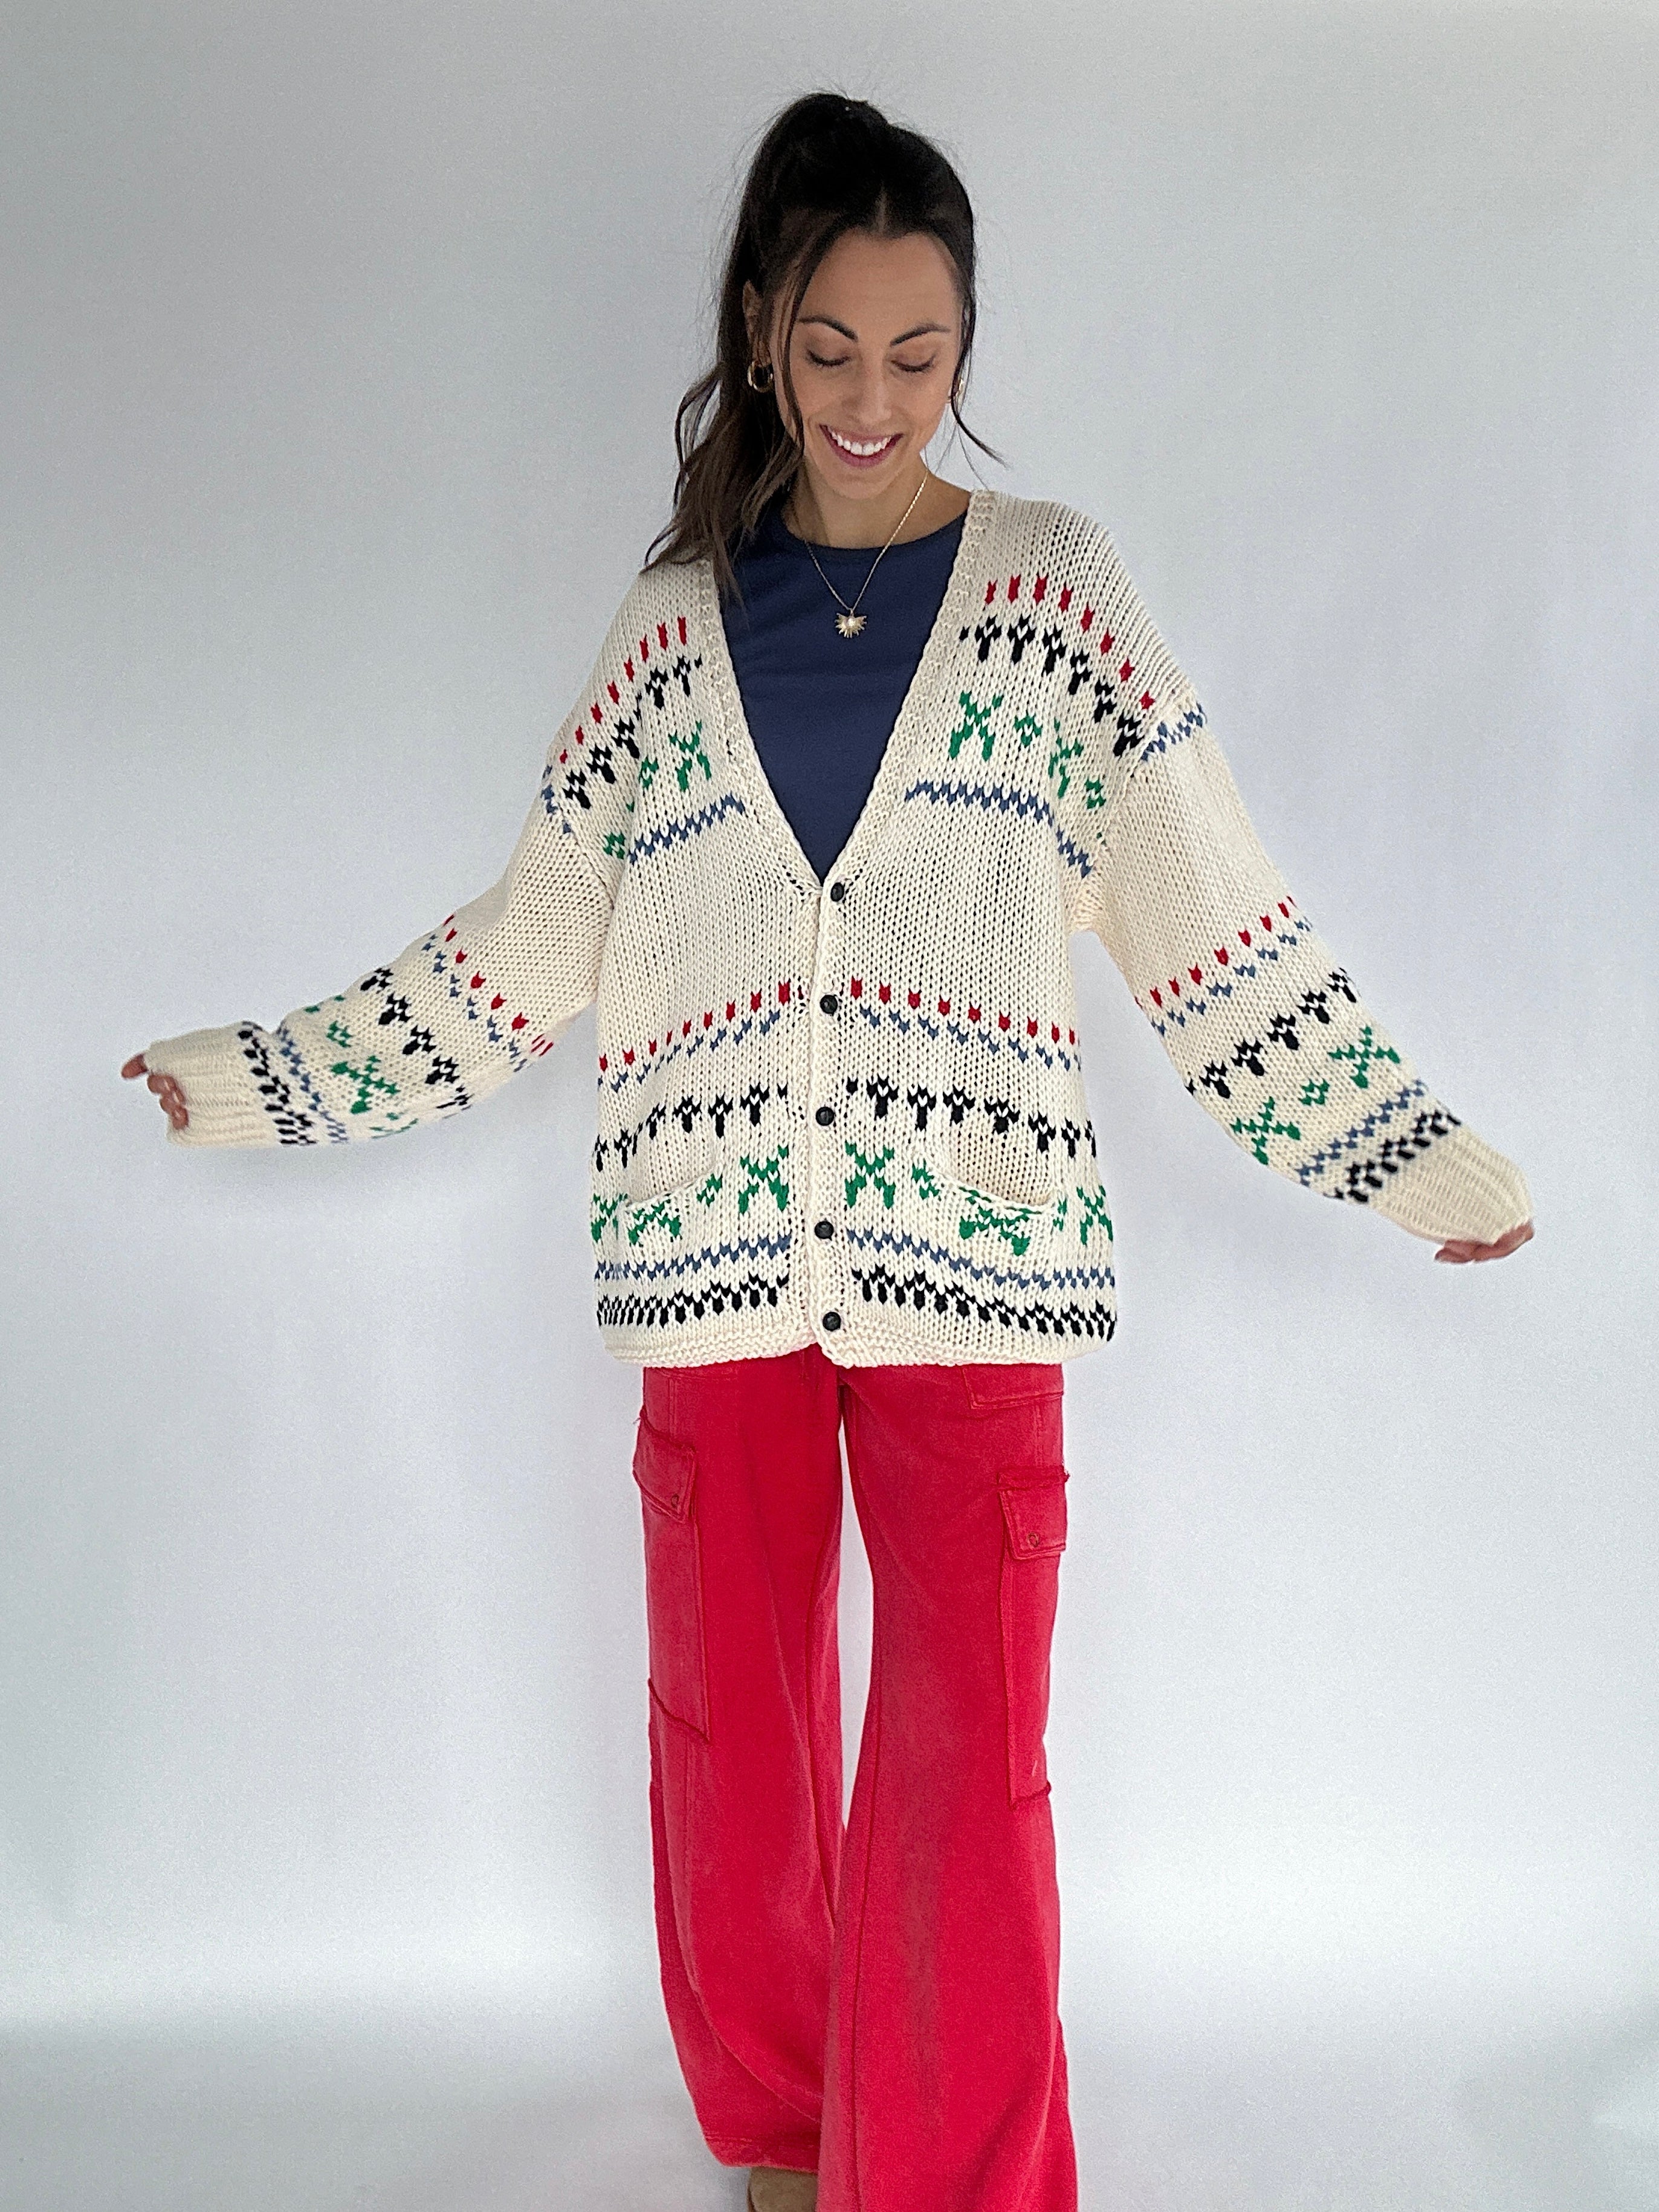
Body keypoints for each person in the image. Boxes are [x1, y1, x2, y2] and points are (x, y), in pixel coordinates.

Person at [122, 89, 1533, 2212]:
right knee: (736, 1742)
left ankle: (950, 2183)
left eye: (921, 352)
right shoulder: (671, 625)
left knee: (969, 1767)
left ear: (965, 346)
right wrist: (258, 1074)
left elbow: (1216, 930)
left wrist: (1415, 1155)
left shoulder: (1057, 604)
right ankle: (789, 2133)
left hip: (979, 1259)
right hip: (708, 1268)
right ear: (762, 331)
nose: (872, 399)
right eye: (830, 348)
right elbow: (522, 955)